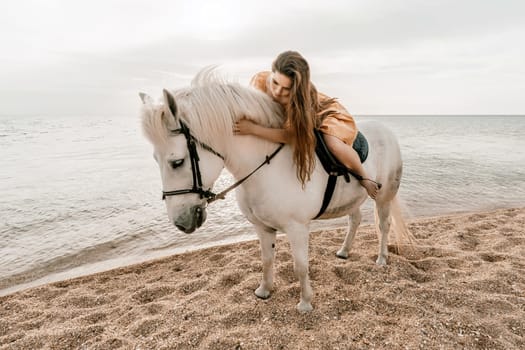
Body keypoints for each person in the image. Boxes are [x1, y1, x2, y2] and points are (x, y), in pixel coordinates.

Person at [233, 50, 380, 199]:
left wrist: (252, 129)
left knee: (333, 144)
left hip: (324, 112)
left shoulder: (298, 101)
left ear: (296, 88)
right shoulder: (259, 81)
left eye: (286, 89)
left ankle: (364, 178)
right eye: (275, 82)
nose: (277, 92)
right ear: (272, 74)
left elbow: (291, 137)